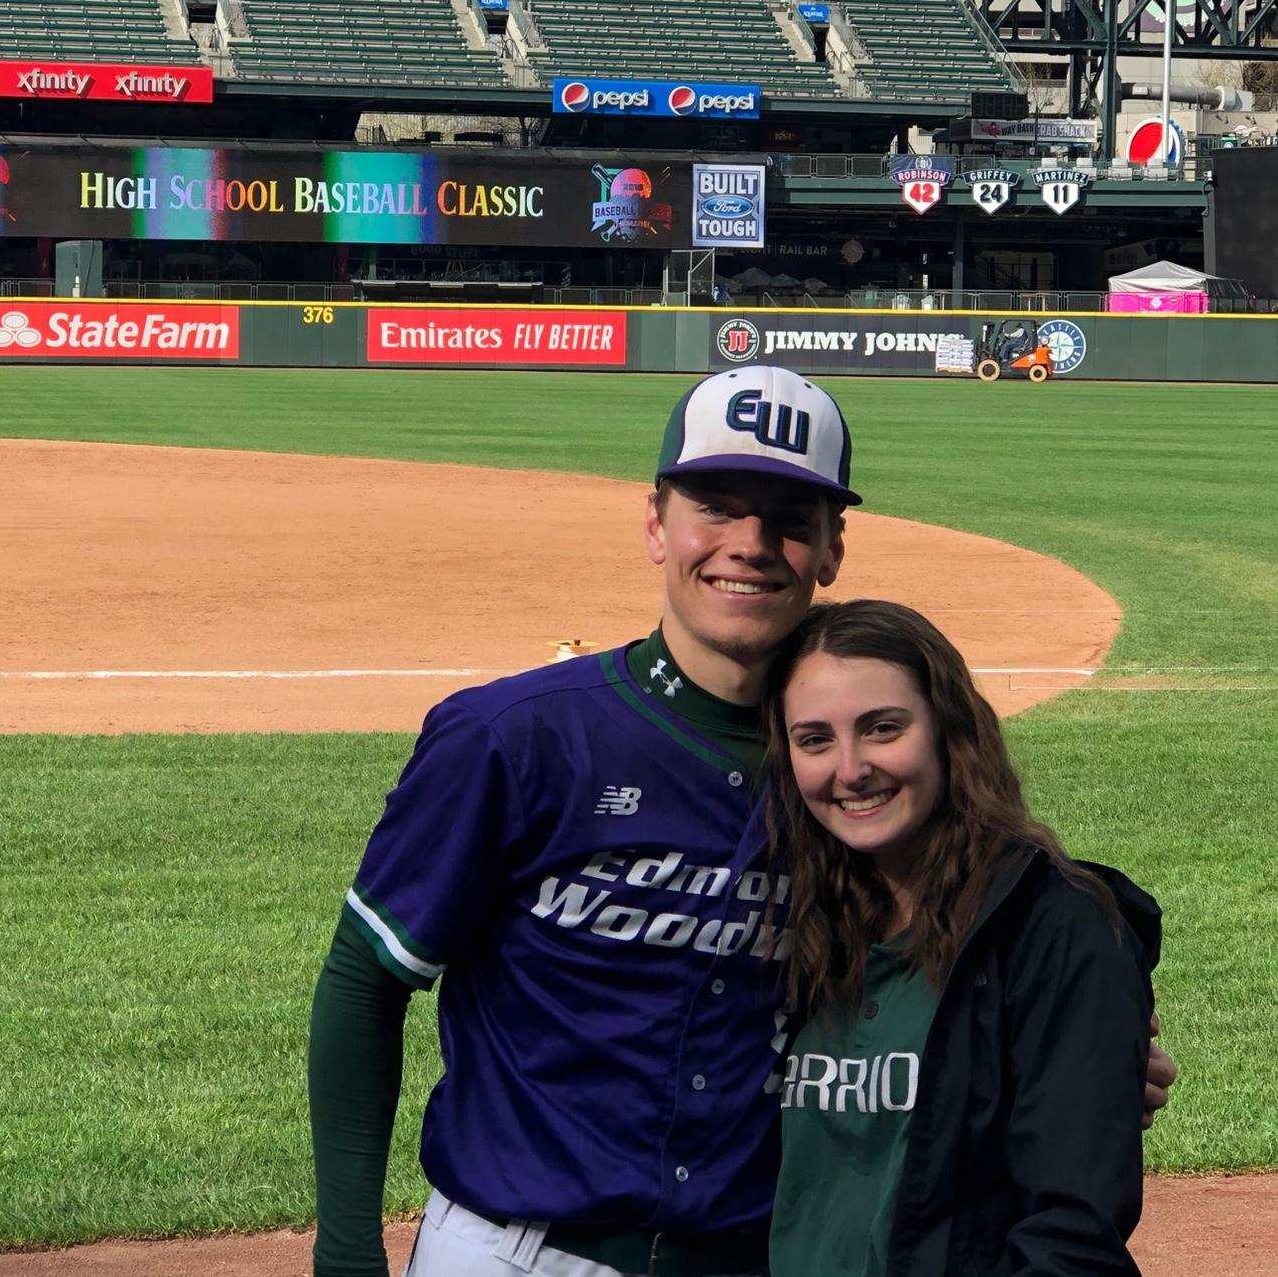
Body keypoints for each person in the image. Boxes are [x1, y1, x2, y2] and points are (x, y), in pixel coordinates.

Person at [308, 365, 1174, 1277]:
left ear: (832, 550)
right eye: (715, 506)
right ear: (656, 525)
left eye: (790, 519)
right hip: (520, 1251)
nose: (749, 543)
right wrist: (347, 1253)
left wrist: (1074, 1058)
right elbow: (366, 981)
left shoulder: (848, 787)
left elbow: (957, 955)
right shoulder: (514, 738)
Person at [763, 599, 1159, 1276]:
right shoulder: (799, 922)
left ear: (951, 731)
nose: (850, 768)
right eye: (814, 739)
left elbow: (1072, 1235)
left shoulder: (1056, 926)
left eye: (883, 728)